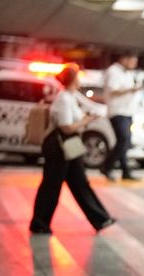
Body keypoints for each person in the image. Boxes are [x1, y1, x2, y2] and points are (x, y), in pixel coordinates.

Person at [29, 64, 115, 235]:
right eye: (77, 76)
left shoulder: (69, 96)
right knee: (51, 185)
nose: (80, 79)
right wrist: (86, 121)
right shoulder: (64, 99)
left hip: (70, 145)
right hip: (60, 146)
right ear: (72, 79)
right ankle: (39, 223)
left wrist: (86, 118)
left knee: (80, 183)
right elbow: (66, 127)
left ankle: (101, 218)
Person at [100, 51, 142, 181]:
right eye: (133, 61)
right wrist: (132, 89)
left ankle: (125, 171)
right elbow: (113, 90)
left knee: (125, 142)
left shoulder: (128, 73)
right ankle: (106, 166)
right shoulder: (113, 71)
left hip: (128, 111)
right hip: (118, 112)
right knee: (123, 140)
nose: (134, 64)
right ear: (124, 59)